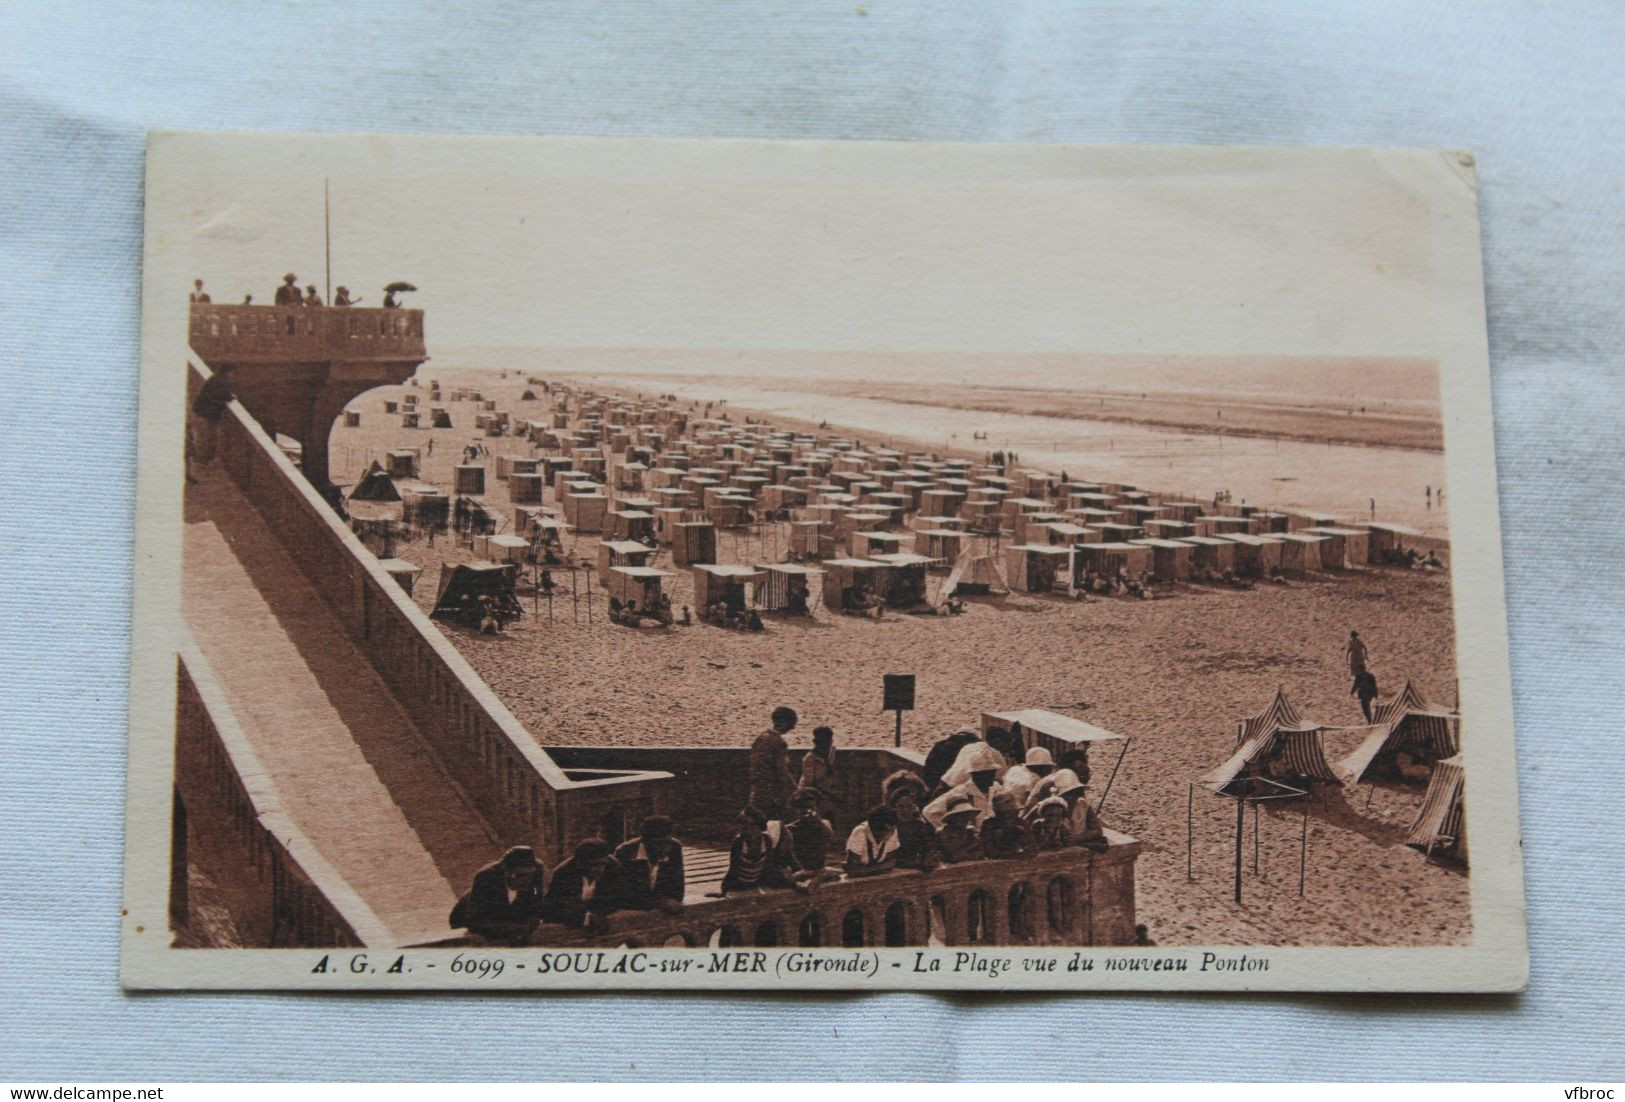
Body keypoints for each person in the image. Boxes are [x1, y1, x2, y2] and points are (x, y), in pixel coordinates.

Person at [450, 845, 547, 945]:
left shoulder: (536, 873)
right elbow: (476, 922)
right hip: (465, 917)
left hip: (507, 920)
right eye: (520, 876)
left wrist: (529, 923)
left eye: (530, 875)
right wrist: (514, 928)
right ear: (506, 871)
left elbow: (536, 901)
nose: (526, 880)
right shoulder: (485, 877)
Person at [609, 816, 685, 915]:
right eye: (658, 843)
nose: (664, 848)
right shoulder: (625, 851)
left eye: (667, 842)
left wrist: (671, 900)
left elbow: (677, 886)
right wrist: (657, 901)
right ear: (645, 841)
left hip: (661, 901)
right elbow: (620, 892)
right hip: (633, 905)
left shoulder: (674, 846)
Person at [717, 806, 802, 895]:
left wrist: (792, 884)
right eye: (743, 824)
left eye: (753, 825)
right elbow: (734, 868)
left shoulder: (766, 840)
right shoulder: (738, 842)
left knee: (784, 885)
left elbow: (769, 865)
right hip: (739, 883)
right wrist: (724, 890)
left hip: (758, 880)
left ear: (760, 826)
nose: (748, 830)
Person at [542, 839, 617, 931]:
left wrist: (598, 913)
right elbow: (553, 908)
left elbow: (618, 898)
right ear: (580, 863)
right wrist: (586, 917)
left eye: (603, 864)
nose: (600, 869)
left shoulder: (614, 867)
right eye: (594, 865)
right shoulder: (563, 873)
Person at [923, 743, 1004, 828]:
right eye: (986, 774)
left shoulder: (995, 788)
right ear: (974, 775)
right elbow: (928, 812)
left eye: (992, 772)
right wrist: (947, 829)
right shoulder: (961, 792)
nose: (991, 777)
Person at [747, 706, 799, 820]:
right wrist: (796, 789)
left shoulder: (761, 738)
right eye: (791, 724)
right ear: (786, 723)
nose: (792, 728)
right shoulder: (778, 742)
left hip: (757, 789)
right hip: (773, 792)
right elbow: (782, 771)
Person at [781, 788, 839, 886]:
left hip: (819, 872)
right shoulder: (789, 829)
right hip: (800, 874)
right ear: (796, 810)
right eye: (802, 807)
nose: (808, 811)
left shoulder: (824, 824)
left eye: (812, 807)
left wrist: (818, 822)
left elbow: (829, 839)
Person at [844, 806, 900, 878]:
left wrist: (868, 870)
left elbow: (891, 862)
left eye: (891, 829)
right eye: (885, 829)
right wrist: (881, 868)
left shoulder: (892, 830)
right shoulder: (860, 832)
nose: (891, 832)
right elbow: (852, 870)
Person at [979, 791, 1032, 859]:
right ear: (996, 812)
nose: (1007, 815)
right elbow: (991, 852)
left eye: (1011, 812)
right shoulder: (989, 825)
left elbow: (1031, 850)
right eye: (1003, 813)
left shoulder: (1022, 823)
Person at [934, 796, 983, 863]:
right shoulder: (942, 832)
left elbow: (981, 854)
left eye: (967, 815)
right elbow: (953, 857)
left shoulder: (970, 831)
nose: (966, 819)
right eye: (961, 816)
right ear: (952, 817)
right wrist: (970, 845)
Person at [798, 726, 839, 805]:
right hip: (810, 795)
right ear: (816, 742)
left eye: (829, 741)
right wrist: (828, 794)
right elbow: (809, 784)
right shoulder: (809, 759)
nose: (828, 744)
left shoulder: (832, 752)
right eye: (824, 742)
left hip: (826, 793)